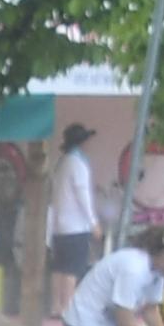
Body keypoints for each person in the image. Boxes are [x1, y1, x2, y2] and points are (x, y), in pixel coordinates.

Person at [45, 123, 101, 312]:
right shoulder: (77, 163)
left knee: (59, 267)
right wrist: (93, 222)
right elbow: (82, 195)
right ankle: (67, 306)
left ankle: (55, 305)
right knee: (71, 268)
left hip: (59, 224)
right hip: (76, 225)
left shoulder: (61, 162)